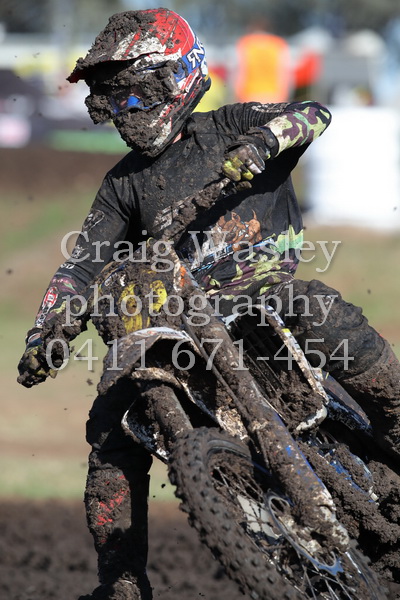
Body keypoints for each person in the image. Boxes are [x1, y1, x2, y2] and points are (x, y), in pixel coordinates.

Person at [17, 8, 400, 600]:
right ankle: (121, 582)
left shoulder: (230, 125)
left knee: (314, 308)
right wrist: (48, 329)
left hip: (260, 290)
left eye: (132, 96)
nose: (122, 113)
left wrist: (263, 143)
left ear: (174, 78)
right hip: (185, 322)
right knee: (112, 420)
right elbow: (81, 265)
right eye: (109, 101)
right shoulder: (122, 185)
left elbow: (314, 113)